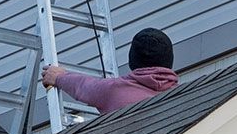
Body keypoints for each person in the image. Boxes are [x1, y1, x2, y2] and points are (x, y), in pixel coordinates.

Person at [40, 28, 179, 116]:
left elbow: (84, 87)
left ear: (132, 60)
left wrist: (59, 77)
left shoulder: (115, 91)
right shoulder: (180, 95)